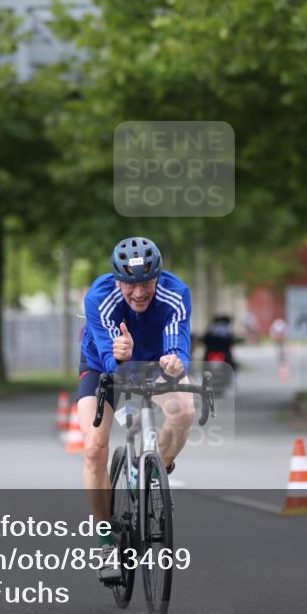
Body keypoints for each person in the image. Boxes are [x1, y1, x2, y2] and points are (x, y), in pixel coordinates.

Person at [77, 236, 194, 581]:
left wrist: (175, 363)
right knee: (93, 447)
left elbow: (179, 344)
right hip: (103, 362)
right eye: (130, 284)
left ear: (158, 276)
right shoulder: (99, 297)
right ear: (117, 281)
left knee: (184, 410)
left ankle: (160, 464)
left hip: (154, 360)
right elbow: (111, 363)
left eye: (146, 282)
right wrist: (119, 355)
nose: (139, 292)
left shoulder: (177, 293)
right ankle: (104, 540)